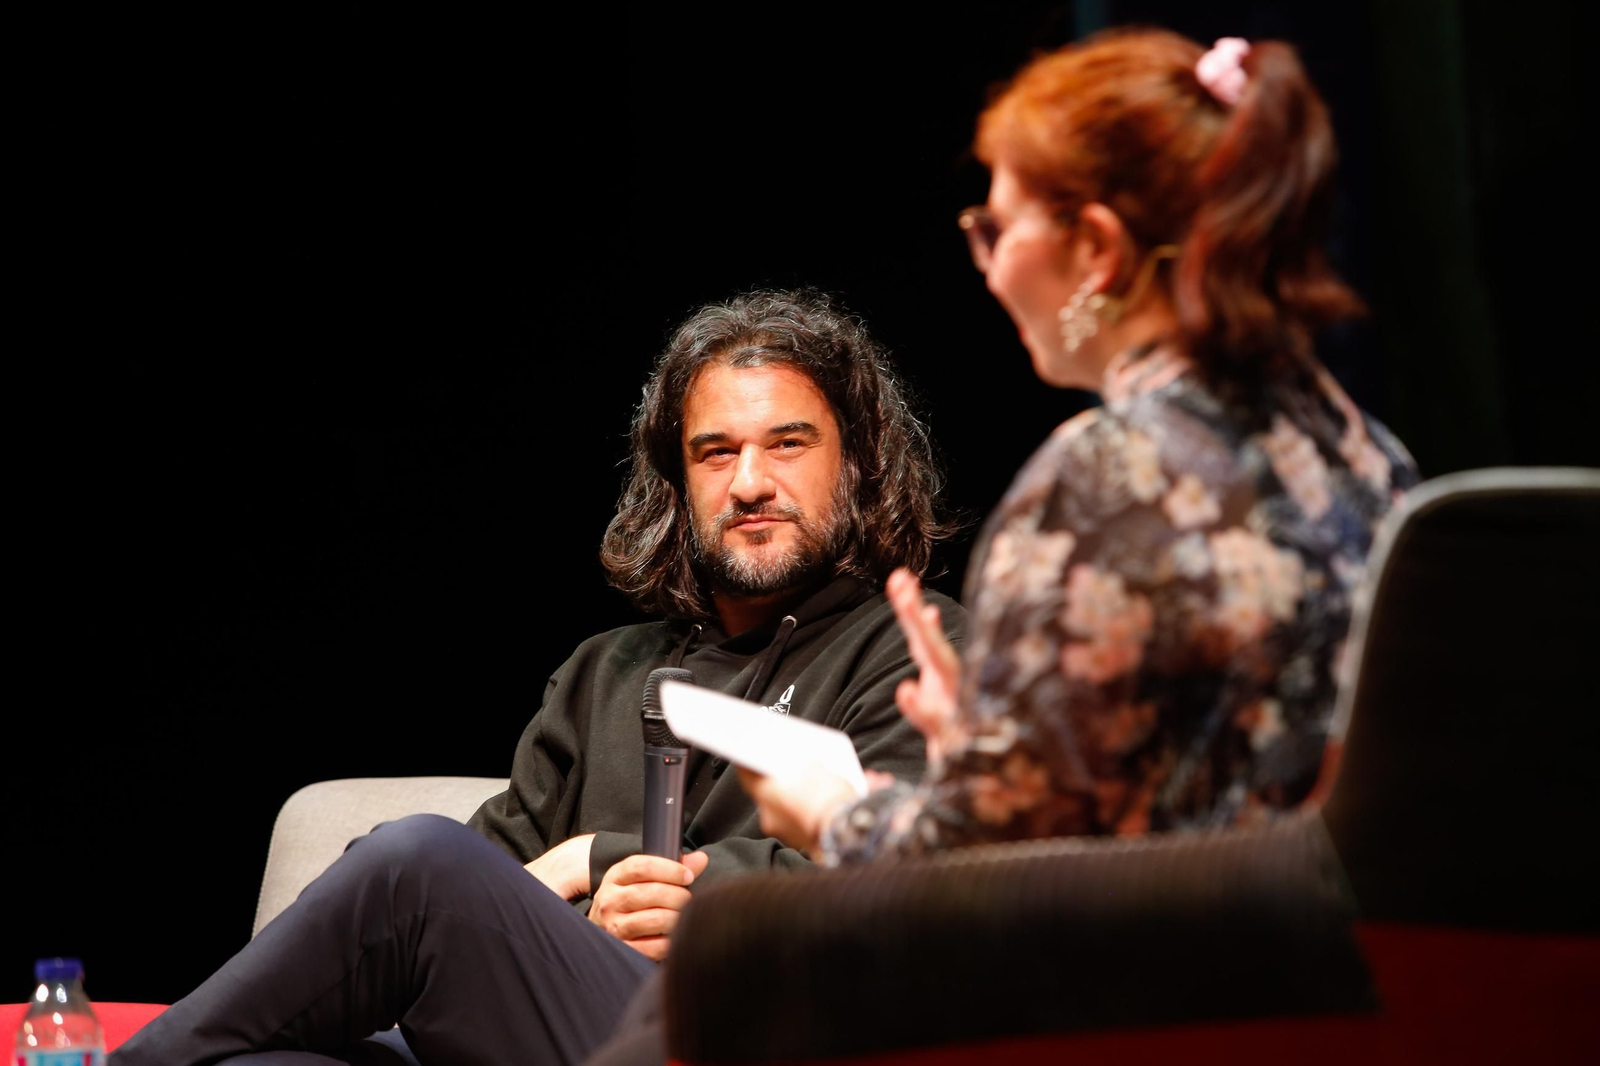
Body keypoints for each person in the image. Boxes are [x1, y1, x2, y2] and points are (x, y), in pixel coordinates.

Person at [111, 289, 963, 1066]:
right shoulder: (605, 670)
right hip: (555, 1032)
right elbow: (487, 886)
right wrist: (581, 914)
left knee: (414, 857)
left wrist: (598, 858)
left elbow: (911, 883)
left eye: (787, 444)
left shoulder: (914, 647)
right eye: (714, 453)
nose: (748, 483)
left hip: (733, 1028)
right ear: (677, 483)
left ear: (856, 463)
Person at [742, 30, 1420, 865]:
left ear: (1097, 249)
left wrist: (833, 813)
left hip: (1175, 945)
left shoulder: (1107, 472)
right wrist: (998, 751)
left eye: (997, 229)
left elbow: (977, 869)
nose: (989, 269)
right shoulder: (1368, 452)